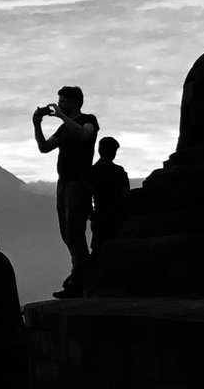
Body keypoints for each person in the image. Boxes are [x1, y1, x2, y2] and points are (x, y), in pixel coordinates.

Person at [33, 86, 99, 299]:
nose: (59, 105)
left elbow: (86, 136)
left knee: (75, 230)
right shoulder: (63, 130)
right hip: (63, 183)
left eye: (62, 101)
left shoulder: (88, 120)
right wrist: (36, 124)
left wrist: (61, 117)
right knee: (67, 232)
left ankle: (78, 279)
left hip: (79, 183)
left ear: (73, 102)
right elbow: (44, 147)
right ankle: (81, 272)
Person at [88, 137, 130, 266]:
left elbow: (87, 195)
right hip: (118, 217)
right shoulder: (119, 171)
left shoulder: (91, 172)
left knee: (98, 251)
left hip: (100, 216)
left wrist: (91, 214)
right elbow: (125, 195)